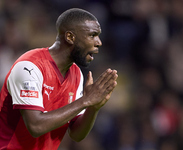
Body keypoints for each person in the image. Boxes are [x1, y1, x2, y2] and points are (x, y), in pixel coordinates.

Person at [0, 8, 118, 150]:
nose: (99, 42)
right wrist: (86, 100)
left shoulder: (76, 74)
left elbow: (76, 134)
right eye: (92, 35)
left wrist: (93, 108)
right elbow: (36, 126)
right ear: (70, 37)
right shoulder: (30, 67)